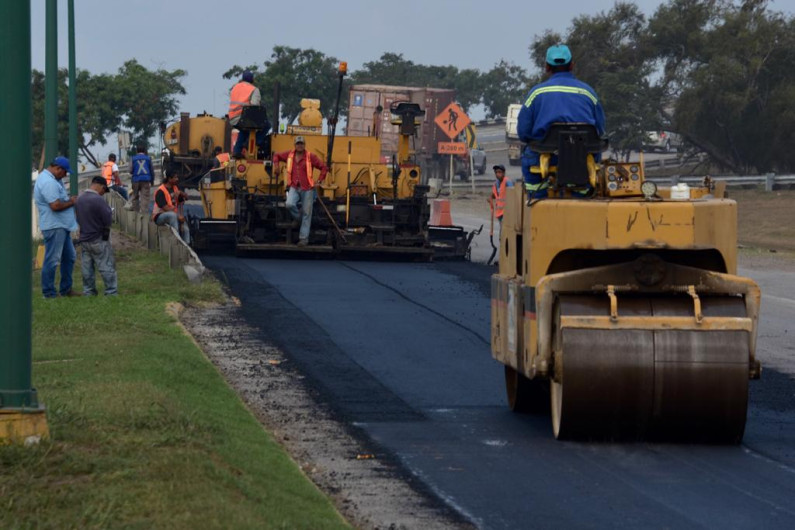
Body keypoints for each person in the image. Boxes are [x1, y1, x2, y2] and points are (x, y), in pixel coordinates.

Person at [517, 44, 605, 198]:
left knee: (528, 156)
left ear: (546, 67)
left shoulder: (536, 93)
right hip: (582, 158)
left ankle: (537, 195)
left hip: (544, 156)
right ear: (571, 65)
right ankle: (581, 193)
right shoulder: (588, 92)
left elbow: (523, 132)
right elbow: (600, 129)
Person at [33, 156, 79, 298]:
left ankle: (66, 289)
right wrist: (72, 202)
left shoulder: (53, 180)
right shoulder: (48, 182)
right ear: (58, 168)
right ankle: (49, 292)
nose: (65, 175)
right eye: (64, 172)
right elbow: (55, 205)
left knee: (69, 257)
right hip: (54, 226)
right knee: (52, 260)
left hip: (61, 225)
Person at [272, 136, 328, 246]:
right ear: (295, 145)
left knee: (307, 213)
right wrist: (276, 166)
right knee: (289, 204)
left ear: (304, 145)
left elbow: (324, 168)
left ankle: (303, 239)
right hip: (294, 187)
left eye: (301, 143)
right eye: (298, 143)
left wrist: (319, 181)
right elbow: (276, 155)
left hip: (308, 189)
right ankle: (299, 218)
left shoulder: (311, 156)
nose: (300, 145)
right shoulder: (289, 155)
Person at [75, 177, 117, 296]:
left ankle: (89, 291)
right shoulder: (98, 200)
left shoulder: (79, 199)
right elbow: (107, 219)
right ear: (100, 186)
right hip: (98, 238)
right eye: (104, 189)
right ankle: (111, 292)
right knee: (106, 266)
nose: (103, 192)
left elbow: (78, 218)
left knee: (87, 268)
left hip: (84, 239)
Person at [228, 70, 270, 157]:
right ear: (252, 79)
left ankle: (237, 150)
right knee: (267, 125)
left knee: (244, 130)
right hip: (242, 118)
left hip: (232, 117)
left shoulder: (235, 87)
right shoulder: (254, 89)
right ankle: (255, 142)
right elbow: (255, 106)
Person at [152, 170, 190, 244]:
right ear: (169, 179)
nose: (177, 179)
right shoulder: (160, 191)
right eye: (175, 177)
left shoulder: (175, 188)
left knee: (185, 227)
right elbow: (165, 208)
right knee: (172, 216)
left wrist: (181, 193)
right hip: (159, 216)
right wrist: (178, 216)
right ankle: (176, 241)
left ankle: (187, 246)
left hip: (173, 214)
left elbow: (185, 198)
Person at [129, 145, 154, 213]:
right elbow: (151, 170)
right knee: (145, 198)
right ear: (144, 150)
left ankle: (136, 213)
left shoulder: (133, 158)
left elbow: (130, 170)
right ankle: (144, 214)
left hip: (135, 180)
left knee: (135, 197)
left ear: (136, 151)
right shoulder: (148, 158)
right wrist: (152, 181)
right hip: (146, 180)